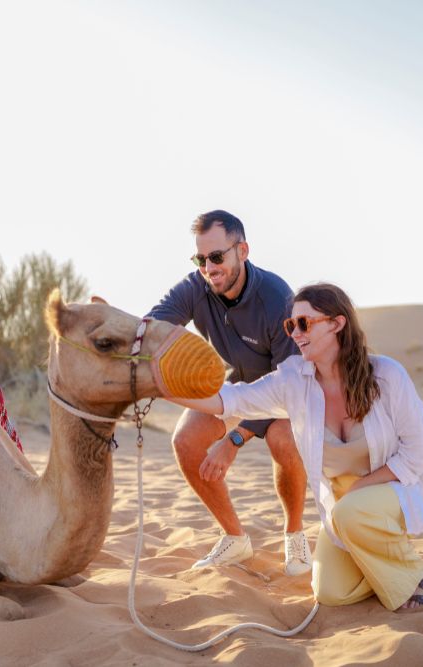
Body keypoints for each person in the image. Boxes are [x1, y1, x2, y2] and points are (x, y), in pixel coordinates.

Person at [170, 282, 423, 611]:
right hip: (346, 507)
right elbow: (231, 399)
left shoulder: (387, 375)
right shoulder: (295, 380)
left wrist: (359, 490)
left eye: (304, 323)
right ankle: (378, 552)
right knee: (330, 592)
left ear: (337, 324)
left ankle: (412, 576)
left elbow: (416, 454)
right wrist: (162, 386)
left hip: (394, 489)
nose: (295, 333)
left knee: (353, 512)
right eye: (290, 325)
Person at [148, 210, 311, 576]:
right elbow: (153, 325)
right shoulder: (195, 287)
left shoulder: (277, 298)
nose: (209, 268)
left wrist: (233, 440)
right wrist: (123, 333)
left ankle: (295, 535)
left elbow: (289, 386)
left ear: (243, 251)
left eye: (217, 257)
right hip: (237, 385)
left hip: (283, 392)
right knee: (186, 441)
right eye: (201, 259)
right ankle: (235, 539)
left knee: (284, 442)